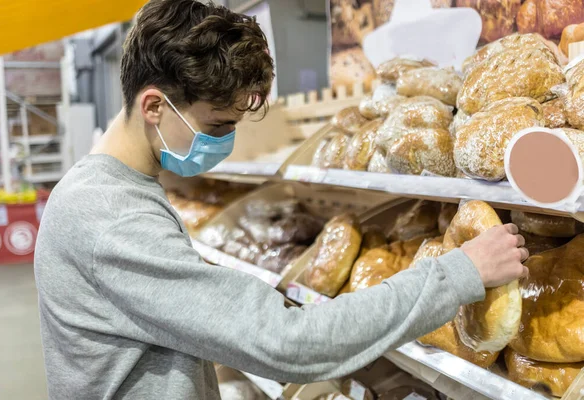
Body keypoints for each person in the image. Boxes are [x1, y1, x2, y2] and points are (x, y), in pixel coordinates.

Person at [33, 1, 529, 399]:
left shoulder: (114, 191)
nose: (223, 143)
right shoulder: (109, 219)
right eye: (217, 126)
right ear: (154, 106)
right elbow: (289, 342)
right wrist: (458, 273)